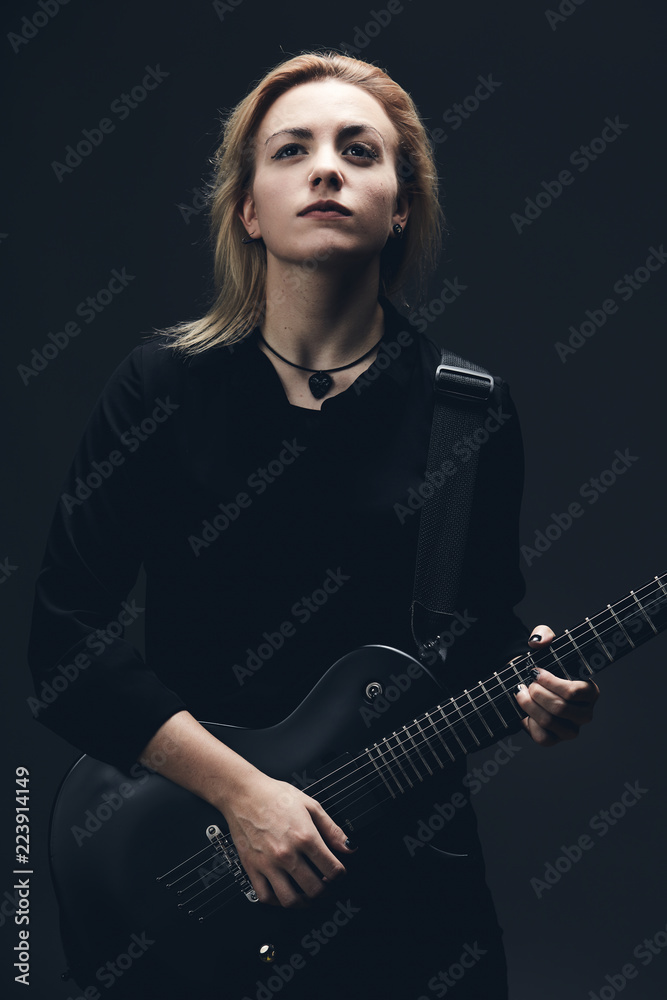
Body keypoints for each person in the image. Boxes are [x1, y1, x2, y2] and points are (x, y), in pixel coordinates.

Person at [28, 50, 599, 999]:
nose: (327, 168)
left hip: (411, 895)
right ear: (249, 209)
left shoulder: (470, 410)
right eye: (292, 149)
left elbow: (475, 642)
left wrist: (537, 685)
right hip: (194, 864)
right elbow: (64, 648)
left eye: (359, 151)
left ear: (400, 205)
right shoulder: (160, 387)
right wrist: (244, 796)